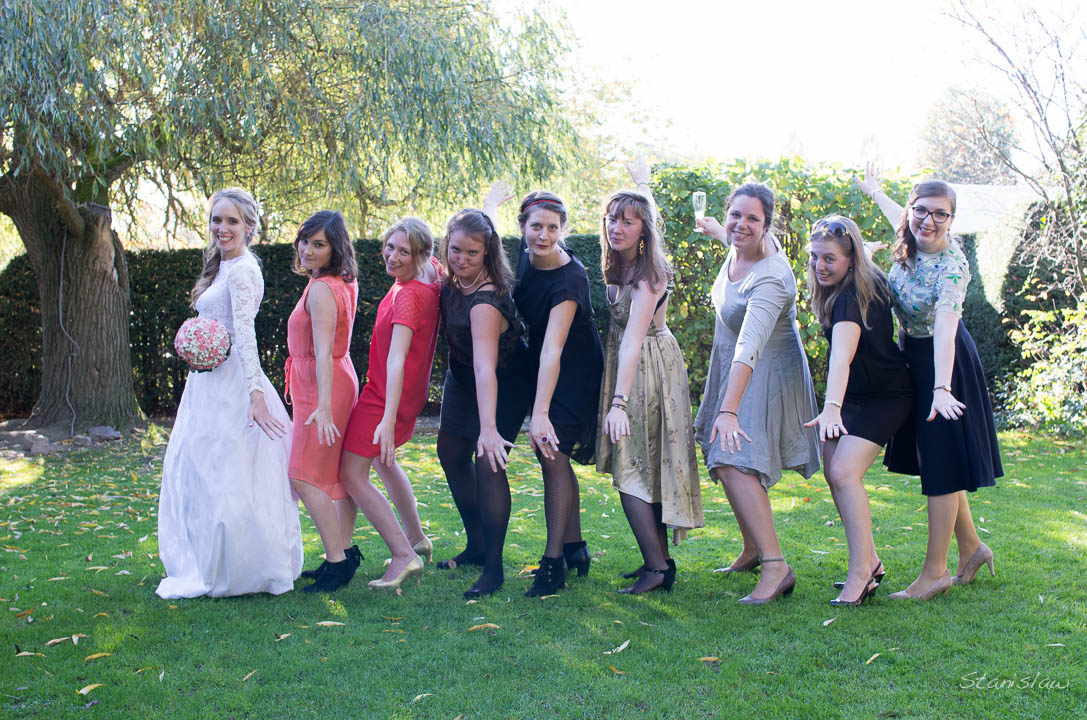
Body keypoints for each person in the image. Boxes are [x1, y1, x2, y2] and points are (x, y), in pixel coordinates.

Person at [856, 164, 1002, 601]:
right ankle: (972, 547)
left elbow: (944, 330)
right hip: (916, 360)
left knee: (941, 465)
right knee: (941, 458)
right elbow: (899, 214)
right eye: (921, 211)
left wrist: (941, 389)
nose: (929, 221)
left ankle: (935, 572)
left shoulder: (953, 268)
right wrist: (875, 191)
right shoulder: (910, 236)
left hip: (947, 363)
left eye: (941, 214)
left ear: (952, 219)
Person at [157, 188, 303, 598]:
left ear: (249, 227)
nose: (222, 228)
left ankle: (240, 566)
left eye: (232, 221)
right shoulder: (220, 266)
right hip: (205, 383)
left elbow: (246, 336)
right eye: (217, 220)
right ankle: (208, 559)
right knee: (201, 471)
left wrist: (255, 394)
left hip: (233, 383)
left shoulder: (243, 271)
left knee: (232, 474)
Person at [693, 182, 820, 605]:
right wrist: (716, 229)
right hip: (735, 362)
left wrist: (727, 412)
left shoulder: (772, 278)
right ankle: (751, 548)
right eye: (735, 215)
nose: (741, 225)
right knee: (725, 454)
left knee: (732, 459)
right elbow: (730, 235)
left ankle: (775, 566)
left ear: (768, 226)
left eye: (753, 219)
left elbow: (750, 346)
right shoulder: (736, 244)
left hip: (763, 370)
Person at [488, 184, 605, 597]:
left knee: (551, 450)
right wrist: (489, 206)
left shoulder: (570, 277)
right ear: (523, 227)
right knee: (549, 455)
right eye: (536, 226)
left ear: (563, 230)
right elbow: (489, 242)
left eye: (553, 228)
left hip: (573, 368)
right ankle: (575, 547)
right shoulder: (526, 256)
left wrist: (539, 415)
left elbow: (554, 350)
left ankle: (554, 562)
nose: (543, 235)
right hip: (544, 360)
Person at [597, 160, 704, 595]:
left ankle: (658, 570)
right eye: (612, 218)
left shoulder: (648, 275)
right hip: (631, 365)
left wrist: (618, 404)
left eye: (628, 221)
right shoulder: (619, 263)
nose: (617, 227)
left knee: (632, 469)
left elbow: (632, 342)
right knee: (644, 464)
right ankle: (656, 560)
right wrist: (642, 184)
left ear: (644, 230)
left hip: (647, 370)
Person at [803, 215, 913, 606]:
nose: (820, 266)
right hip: (857, 393)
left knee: (844, 471)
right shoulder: (859, 280)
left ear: (851, 258)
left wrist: (831, 408)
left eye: (829, 258)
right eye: (814, 257)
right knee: (833, 465)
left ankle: (860, 571)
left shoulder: (851, 298)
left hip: (885, 395)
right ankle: (870, 560)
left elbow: (841, 360)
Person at [339, 218, 441, 590]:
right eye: (390, 247)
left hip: (385, 398)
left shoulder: (411, 296)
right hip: (396, 397)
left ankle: (403, 555)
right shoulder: (432, 275)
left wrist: (385, 417)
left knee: (351, 473)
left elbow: (397, 359)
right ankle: (415, 539)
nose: (393, 257)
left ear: (422, 255)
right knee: (384, 462)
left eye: (404, 252)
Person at [435, 208, 532, 598]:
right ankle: (475, 546)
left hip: (504, 381)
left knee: (488, 461)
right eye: (455, 250)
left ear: (488, 253)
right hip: (462, 377)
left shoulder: (486, 301)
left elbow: (484, 368)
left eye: (472, 254)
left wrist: (488, 430)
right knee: (449, 451)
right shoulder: (452, 278)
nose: (462, 259)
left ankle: (493, 567)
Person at [285, 210, 361, 593]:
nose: (308, 250)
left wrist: (325, 404)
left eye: (319, 244)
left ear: (335, 248)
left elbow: (323, 349)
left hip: (322, 385)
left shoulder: (321, 288)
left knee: (302, 474)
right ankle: (345, 550)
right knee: (332, 476)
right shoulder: (338, 281)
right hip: (329, 378)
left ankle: (338, 562)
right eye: (305, 241)